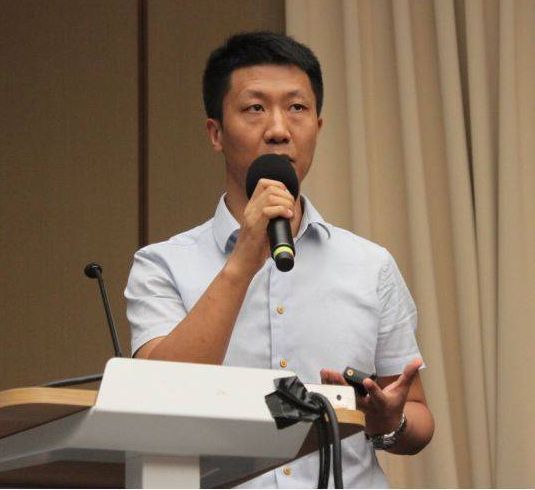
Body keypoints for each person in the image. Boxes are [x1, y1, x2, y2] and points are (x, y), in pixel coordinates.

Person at [124, 31, 434, 488]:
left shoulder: (370, 266)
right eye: (254, 108)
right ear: (215, 133)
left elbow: (418, 415)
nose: (278, 129)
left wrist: (389, 422)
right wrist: (243, 261)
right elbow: (161, 395)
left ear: (318, 127)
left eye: (297, 108)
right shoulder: (162, 266)